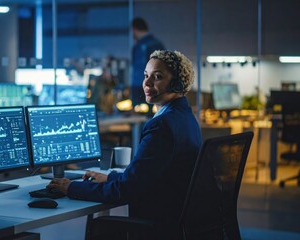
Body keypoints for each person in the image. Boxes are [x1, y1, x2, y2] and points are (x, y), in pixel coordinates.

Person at [47, 50, 202, 239]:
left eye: (158, 77)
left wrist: (71, 187)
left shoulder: (162, 125)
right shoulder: (185, 117)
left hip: (159, 224)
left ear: (177, 83)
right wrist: (110, 178)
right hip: (177, 220)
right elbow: (146, 177)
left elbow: (125, 191)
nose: (147, 83)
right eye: (146, 75)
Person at [131, 17, 165, 108]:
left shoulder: (142, 46)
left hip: (142, 91)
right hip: (155, 90)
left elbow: (138, 74)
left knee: (143, 117)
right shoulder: (157, 44)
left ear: (134, 29)